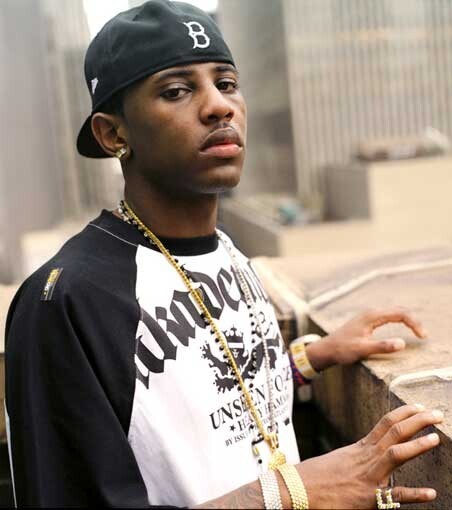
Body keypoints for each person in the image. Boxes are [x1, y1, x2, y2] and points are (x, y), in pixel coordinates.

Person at [5, 1, 442, 508]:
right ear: (113, 133)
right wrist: (293, 492)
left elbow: (197, 400)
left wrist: (311, 357)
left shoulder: (226, 250)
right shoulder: (66, 301)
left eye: (227, 83)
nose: (219, 106)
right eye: (176, 91)